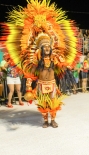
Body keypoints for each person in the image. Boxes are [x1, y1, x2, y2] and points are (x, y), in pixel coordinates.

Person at [1, 0, 80, 128]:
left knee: (53, 101)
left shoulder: (55, 56)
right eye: (45, 47)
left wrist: (67, 65)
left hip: (52, 83)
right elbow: (30, 72)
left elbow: (63, 64)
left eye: (49, 46)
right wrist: (27, 87)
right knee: (43, 102)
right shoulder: (36, 58)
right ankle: (45, 120)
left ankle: (53, 120)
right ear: (41, 49)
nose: (48, 48)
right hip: (41, 84)